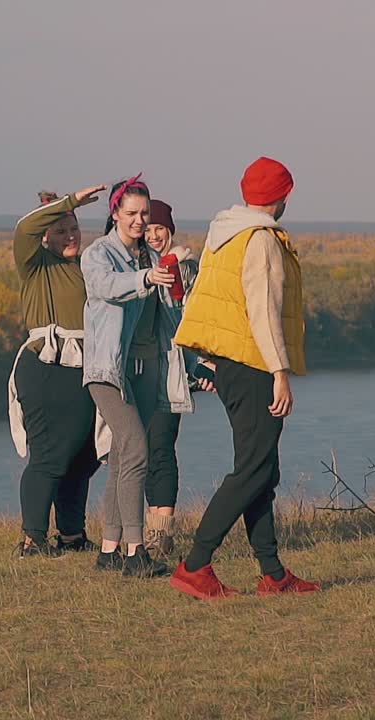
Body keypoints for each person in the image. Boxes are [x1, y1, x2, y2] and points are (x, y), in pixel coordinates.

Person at [171, 156, 321, 598]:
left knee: (261, 470)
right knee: (253, 470)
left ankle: (273, 575)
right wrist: (280, 372)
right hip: (254, 364)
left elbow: (215, 303)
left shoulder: (225, 234)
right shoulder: (261, 241)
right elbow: (262, 311)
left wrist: (214, 357)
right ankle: (195, 565)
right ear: (282, 196)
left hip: (232, 362)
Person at [8, 185, 108, 557]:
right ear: (47, 236)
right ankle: (32, 539)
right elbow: (24, 229)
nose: (71, 236)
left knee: (82, 456)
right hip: (48, 367)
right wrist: (69, 203)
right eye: (62, 230)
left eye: (75, 228)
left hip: (84, 367)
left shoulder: (86, 268)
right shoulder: (35, 264)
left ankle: (71, 535)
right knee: (50, 456)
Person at [79, 174, 171, 578]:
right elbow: (105, 287)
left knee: (120, 457)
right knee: (136, 449)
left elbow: (164, 317)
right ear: (115, 213)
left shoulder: (146, 257)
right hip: (107, 369)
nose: (138, 221)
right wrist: (144, 279)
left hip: (143, 369)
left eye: (144, 213)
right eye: (131, 213)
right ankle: (137, 552)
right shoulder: (98, 254)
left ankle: (109, 547)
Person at [132, 199, 213, 557]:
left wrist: (206, 363)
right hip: (136, 370)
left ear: (169, 230)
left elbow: (199, 318)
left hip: (173, 371)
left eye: (159, 229)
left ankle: (160, 534)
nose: (153, 235)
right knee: (138, 451)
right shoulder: (135, 269)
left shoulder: (189, 271)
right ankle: (140, 532)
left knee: (160, 447)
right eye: (147, 229)